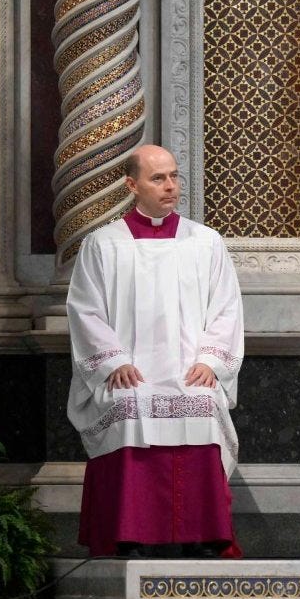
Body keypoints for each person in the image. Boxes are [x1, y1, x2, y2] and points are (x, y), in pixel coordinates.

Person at [66, 144, 244, 557]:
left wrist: (210, 361)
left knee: (202, 403)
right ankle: (130, 534)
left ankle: (203, 535)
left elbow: (227, 308)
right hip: (131, 371)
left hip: (189, 370)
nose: (170, 186)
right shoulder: (103, 244)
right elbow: (85, 309)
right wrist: (114, 361)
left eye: (174, 176)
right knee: (129, 405)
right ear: (132, 185)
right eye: (158, 178)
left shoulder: (205, 242)